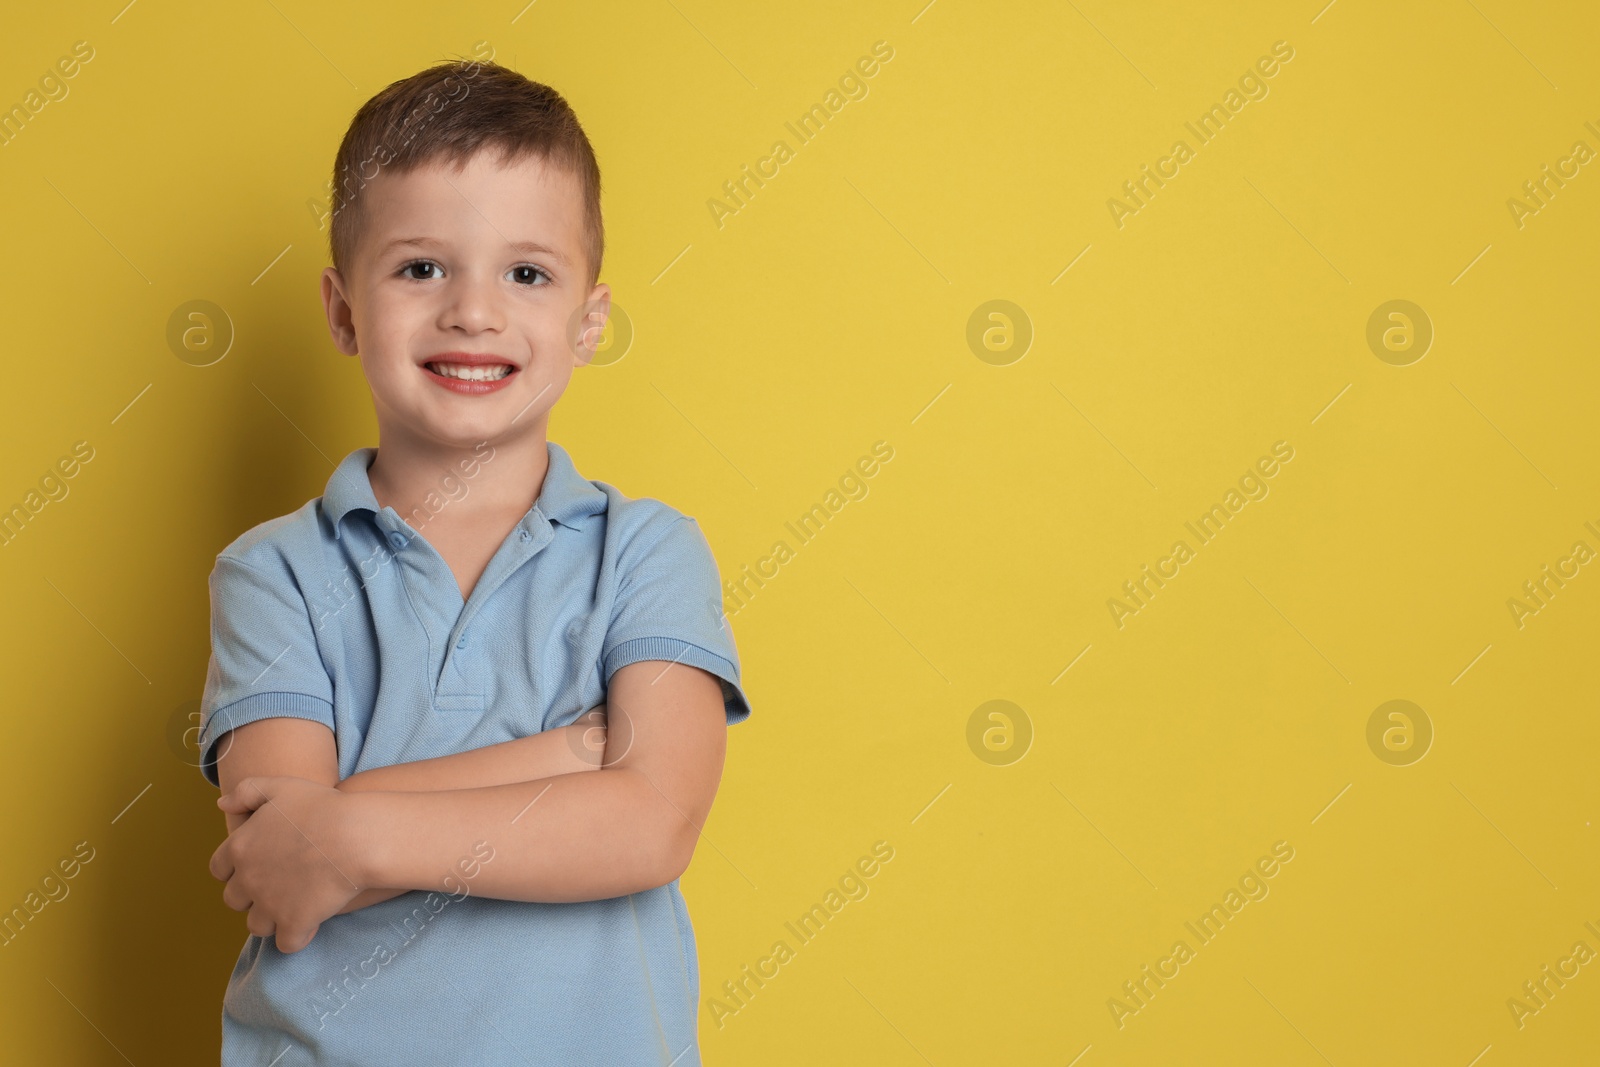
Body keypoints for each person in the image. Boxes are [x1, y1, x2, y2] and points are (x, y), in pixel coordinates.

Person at [197, 56, 751, 1066]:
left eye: (526, 273)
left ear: (588, 320)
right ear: (342, 311)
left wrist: (348, 832)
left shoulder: (646, 551)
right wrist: (567, 756)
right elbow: (281, 868)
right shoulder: (268, 572)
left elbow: (650, 823)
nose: (473, 311)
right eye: (420, 267)